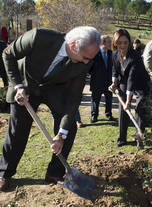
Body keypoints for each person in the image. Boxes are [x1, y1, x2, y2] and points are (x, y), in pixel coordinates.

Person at [0, 26, 101, 191]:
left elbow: (73, 99)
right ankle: (4, 173)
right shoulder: (39, 37)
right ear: (73, 44)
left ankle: (54, 172)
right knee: (18, 128)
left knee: (68, 128)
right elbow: (8, 54)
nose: (86, 62)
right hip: (25, 83)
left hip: (52, 87)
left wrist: (61, 134)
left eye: (89, 59)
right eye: (84, 57)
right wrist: (18, 86)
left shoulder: (84, 63)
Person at [109, 29, 151, 147]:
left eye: (125, 42)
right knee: (122, 109)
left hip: (141, 84)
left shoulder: (135, 56)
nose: (122, 45)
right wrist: (114, 83)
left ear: (129, 42)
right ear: (115, 42)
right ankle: (122, 138)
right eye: (119, 42)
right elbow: (115, 71)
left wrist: (128, 100)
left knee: (139, 109)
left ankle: (139, 138)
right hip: (124, 81)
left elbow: (132, 79)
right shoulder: (114, 54)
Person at [89, 34, 114, 123]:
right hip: (97, 82)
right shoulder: (94, 53)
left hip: (108, 82)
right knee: (95, 100)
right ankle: (94, 116)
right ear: (103, 42)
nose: (111, 43)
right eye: (109, 42)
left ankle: (109, 114)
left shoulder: (111, 53)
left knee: (109, 99)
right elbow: (89, 68)